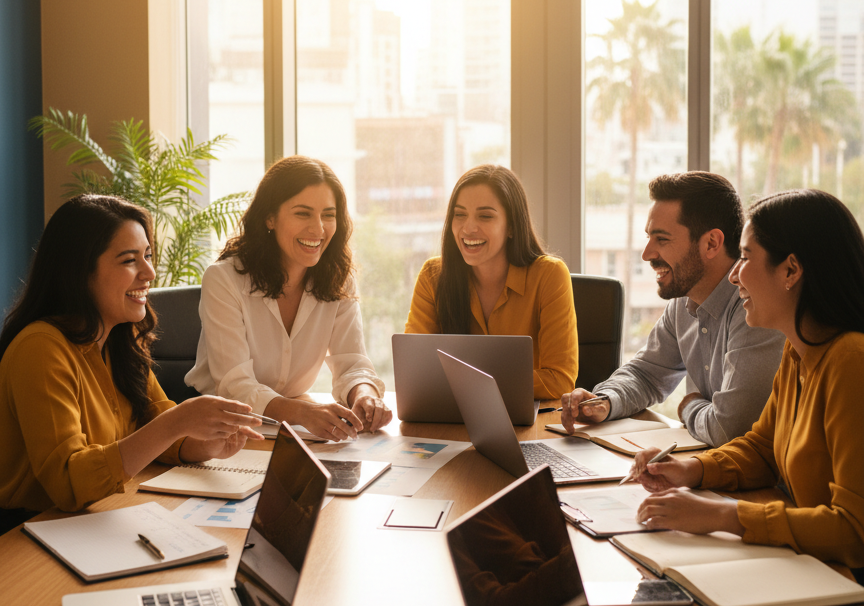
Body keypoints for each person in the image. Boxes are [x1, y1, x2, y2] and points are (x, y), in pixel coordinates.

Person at [631, 189, 864, 570]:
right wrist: (691, 470)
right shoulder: (798, 351)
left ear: (790, 270)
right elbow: (761, 448)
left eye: (744, 257)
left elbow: (855, 530)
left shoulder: (851, 361)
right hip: (813, 567)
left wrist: (721, 517)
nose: (735, 275)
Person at [0, 195, 264, 528]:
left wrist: (203, 445)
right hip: (29, 532)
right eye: (129, 260)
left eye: (148, 256)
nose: (150, 272)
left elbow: (153, 422)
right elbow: (67, 482)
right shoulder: (40, 348)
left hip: (93, 519)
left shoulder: (119, 341)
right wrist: (178, 422)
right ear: (79, 271)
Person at [561, 172, 784, 446]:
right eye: (649, 237)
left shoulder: (757, 309)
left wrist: (688, 404)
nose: (647, 254)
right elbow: (646, 374)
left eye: (662, 239)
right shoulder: (684, 300)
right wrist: (604, 401)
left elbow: (729, 430)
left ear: (711, 243)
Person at [187, 156, 389, 442]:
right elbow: (236, 387)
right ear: (270, 217)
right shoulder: (224, 279)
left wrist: (367, 396)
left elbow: (352, 363)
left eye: (328, 215)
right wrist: (304, 413)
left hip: (292, 428)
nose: (318, 229)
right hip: (220, 429)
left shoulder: (338, 279)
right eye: (303, 213)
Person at [404, 165, 578, 400]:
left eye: (485, 216)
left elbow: (559, 380)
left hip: (529, 425)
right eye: (460, 214)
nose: (468, 228)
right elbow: (414, 372)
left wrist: (468, 383)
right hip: (452, 421)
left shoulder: (549, 275)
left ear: (512, 227)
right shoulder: (433, 276)